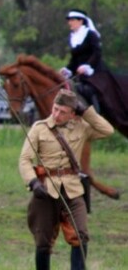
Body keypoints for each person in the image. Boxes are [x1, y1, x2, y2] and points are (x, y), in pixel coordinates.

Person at [19, 89, 114, 270]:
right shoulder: (39, 128)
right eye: (55, 109)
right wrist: (33, 182)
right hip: (46, 190)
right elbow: (24, 159)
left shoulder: (82, 127)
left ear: (72, 113)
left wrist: (85, 111)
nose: (56, 114)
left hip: (73, 190)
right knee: (43, 240)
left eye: (63, 112)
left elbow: (107, 130)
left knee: (80, 235)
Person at [60, 9, 104, 112]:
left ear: (80, 21)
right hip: (79, 73)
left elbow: (97, 53)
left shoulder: (90, 34)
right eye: (69, 20)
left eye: (72, 20)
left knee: (89, 90)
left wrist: (87, 66)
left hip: (94, 70)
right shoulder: (72, 37)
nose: (69, 22)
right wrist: (67, 69)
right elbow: (75, 58)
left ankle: (96, 113)